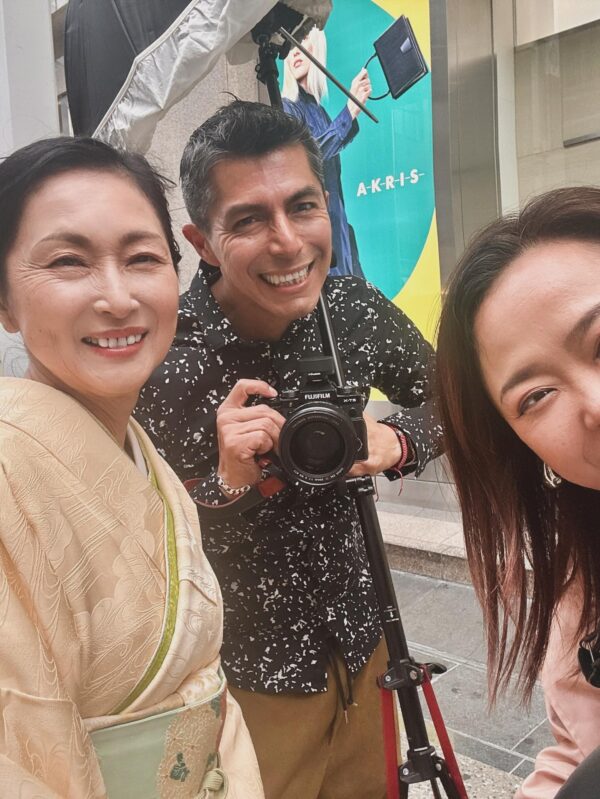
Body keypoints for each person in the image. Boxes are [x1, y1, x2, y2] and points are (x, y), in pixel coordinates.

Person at [136, 100, 442, 799]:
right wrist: (225, 483)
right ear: (202, 241)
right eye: (248, 220)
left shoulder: (351, 309)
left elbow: (453, 396)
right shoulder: (164, 356)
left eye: (303, 207)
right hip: (244, 679)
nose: (287, 242)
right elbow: (138, 544)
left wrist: (397, 440)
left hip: (367, 648)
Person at [0, 136, 264, 799]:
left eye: (143, 258)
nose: (117, 298)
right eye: (68, 261)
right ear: (3, 300)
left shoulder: (139, 450)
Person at [435, 186, 600, 799]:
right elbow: (578, 746)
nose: (595, 406)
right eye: (536, 396)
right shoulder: (582, 583)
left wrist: (393, 440)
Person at [281, 27, 371, 279]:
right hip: (319, 237)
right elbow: (305, 157)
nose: (295, 52)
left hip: (338, 231)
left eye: (302, 41)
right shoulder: (287, 108)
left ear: (317, 46)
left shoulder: (319, 111)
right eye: (291, 46)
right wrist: (350, 110)